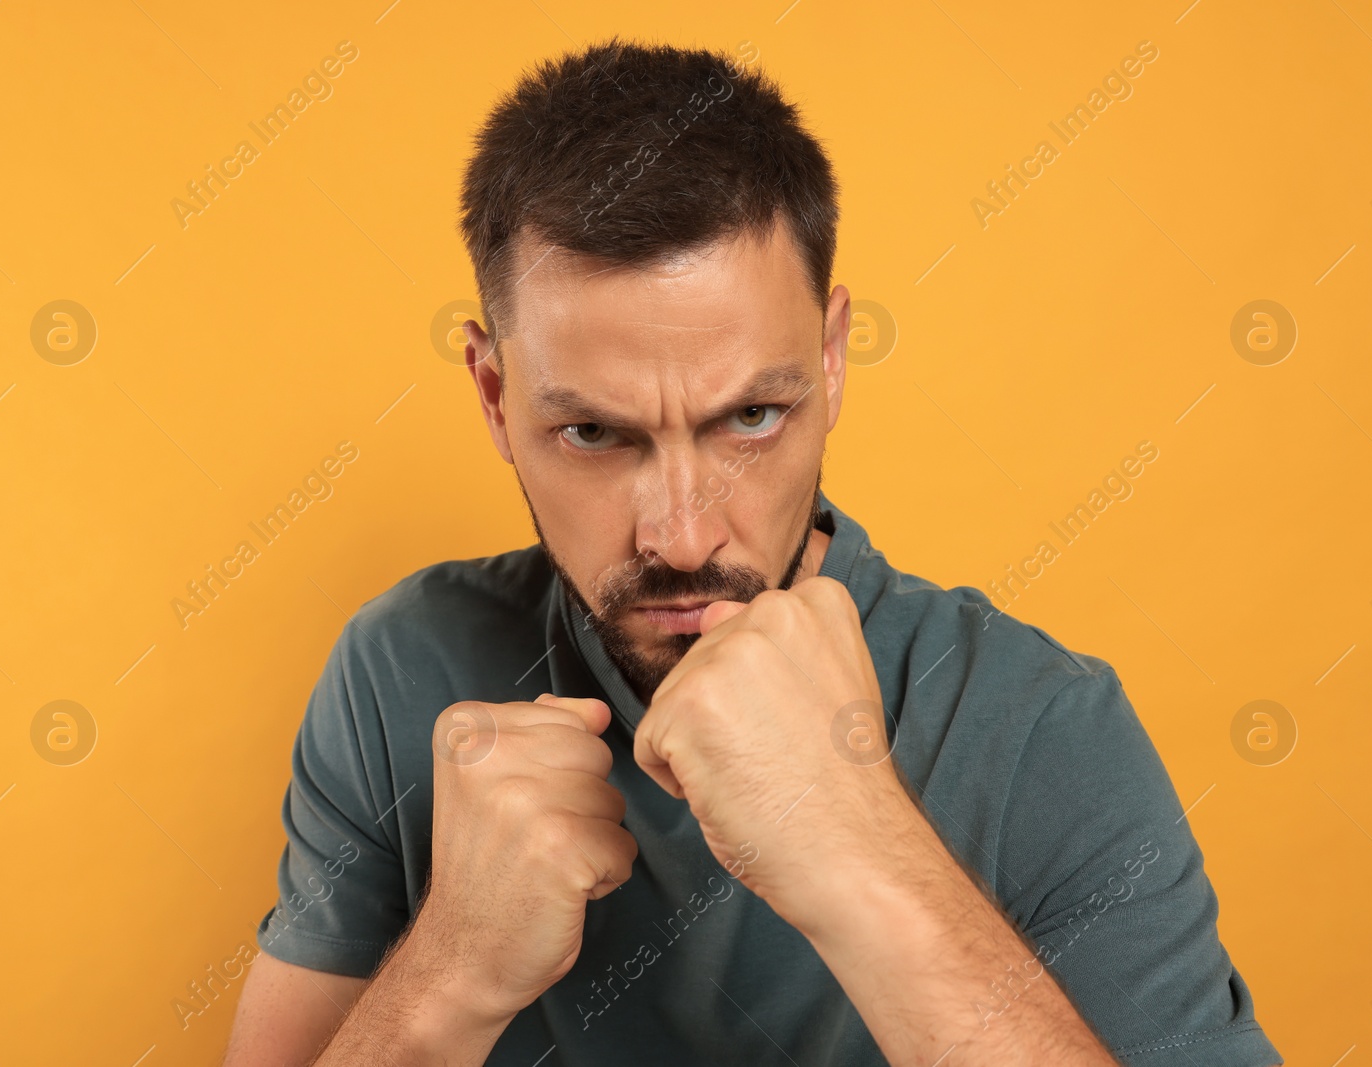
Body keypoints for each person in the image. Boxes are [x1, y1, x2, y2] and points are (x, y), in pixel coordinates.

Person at [223, 37, 1282, 1067]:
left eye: (752, 418)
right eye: (594, 432)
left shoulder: (1040, 725)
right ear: (495, 396)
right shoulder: (400, 673)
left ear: (830, 358)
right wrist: (449, 971)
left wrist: (862, 853)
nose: (682, 534)